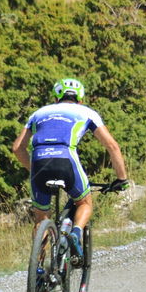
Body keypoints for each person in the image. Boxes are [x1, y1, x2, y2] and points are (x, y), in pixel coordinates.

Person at [12, 78, 128, 259]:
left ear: (56, 97)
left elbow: (17, 148)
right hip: (66, 158)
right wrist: (121, 179)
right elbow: (112, 146)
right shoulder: (86, 112)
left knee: (41, 218)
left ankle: (39, 273)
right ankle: (75, 232)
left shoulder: (38, 113)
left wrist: (33, 169)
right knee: (84, 203)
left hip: (39, 161)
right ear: (80, 98)